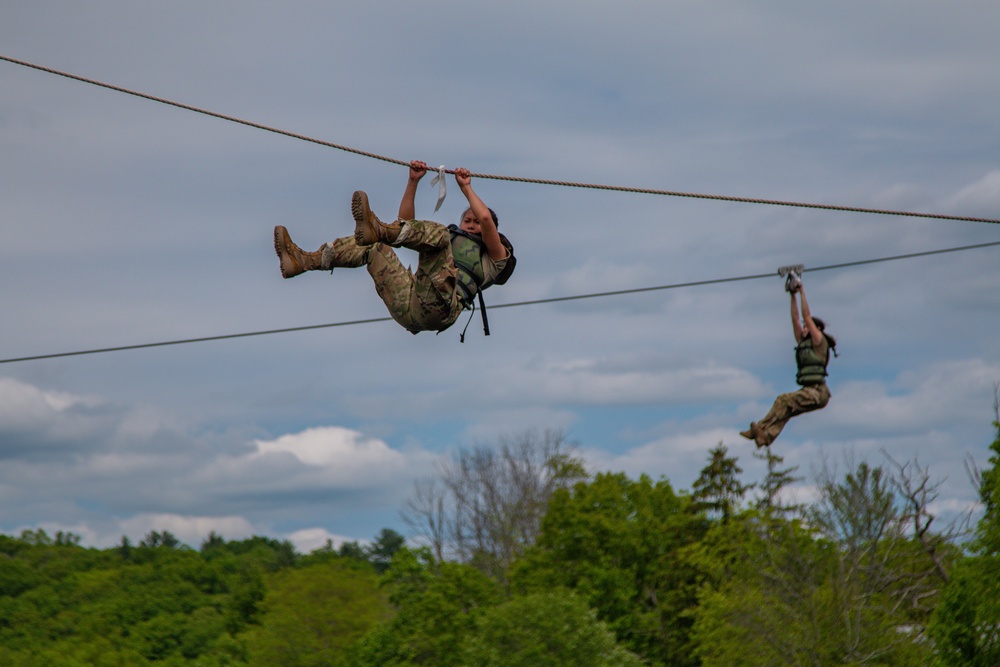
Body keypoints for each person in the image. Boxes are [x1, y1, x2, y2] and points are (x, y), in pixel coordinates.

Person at [273, 160, 511, 334]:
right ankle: (302, 261)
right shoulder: (450, 239)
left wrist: (466, 187)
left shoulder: (494, 256)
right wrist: (412, 182)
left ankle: (378, 229)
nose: (471, 225)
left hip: (441, 310)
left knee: (437, 234)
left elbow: (487, 220)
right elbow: (406, 224)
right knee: (375, 247)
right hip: (408, 305)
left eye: (475, 222)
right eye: (467, 221)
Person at [740, 281, 836, 448]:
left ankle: (761, 428)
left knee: (783, 400)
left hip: (818, 392)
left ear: (817, 328)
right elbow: (795, 319)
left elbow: (806, 315)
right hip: (808, 390)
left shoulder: (819, 341)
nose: (804, 329)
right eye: (805, 327)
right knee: (786, 410)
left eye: (808, 327)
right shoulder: (803, 342)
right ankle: (765, 436)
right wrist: (792, 296)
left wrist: (802, 292)